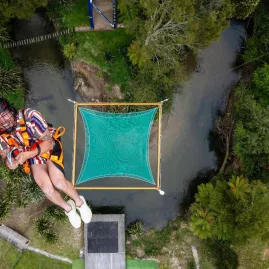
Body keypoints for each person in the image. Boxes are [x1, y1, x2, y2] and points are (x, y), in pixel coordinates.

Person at [0, 98, 92, 228]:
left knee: (59, 182)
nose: (3, 121)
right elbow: (5, 155)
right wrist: (11, 163)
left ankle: (79, 203)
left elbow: (48, 143)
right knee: (47, 190)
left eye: (4, 115)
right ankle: (69, 209)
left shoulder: (31, 116)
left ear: (11, 110)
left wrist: (27, 154)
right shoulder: (1, 134)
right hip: (30, 153)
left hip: (47, 145)